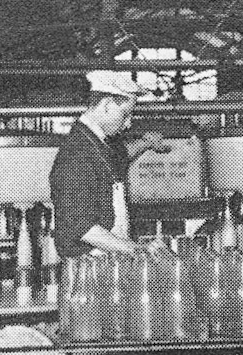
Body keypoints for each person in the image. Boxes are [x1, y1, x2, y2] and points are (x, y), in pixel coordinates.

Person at [50, 70, 169, 258]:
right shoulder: (77, 153)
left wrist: (147, 143)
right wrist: (136, 250)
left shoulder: (97, 144)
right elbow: (83, 227)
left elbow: (121, 157)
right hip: (88, 268)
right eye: (125, 114)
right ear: (106, 105)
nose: (128, 123)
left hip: (108, 259)